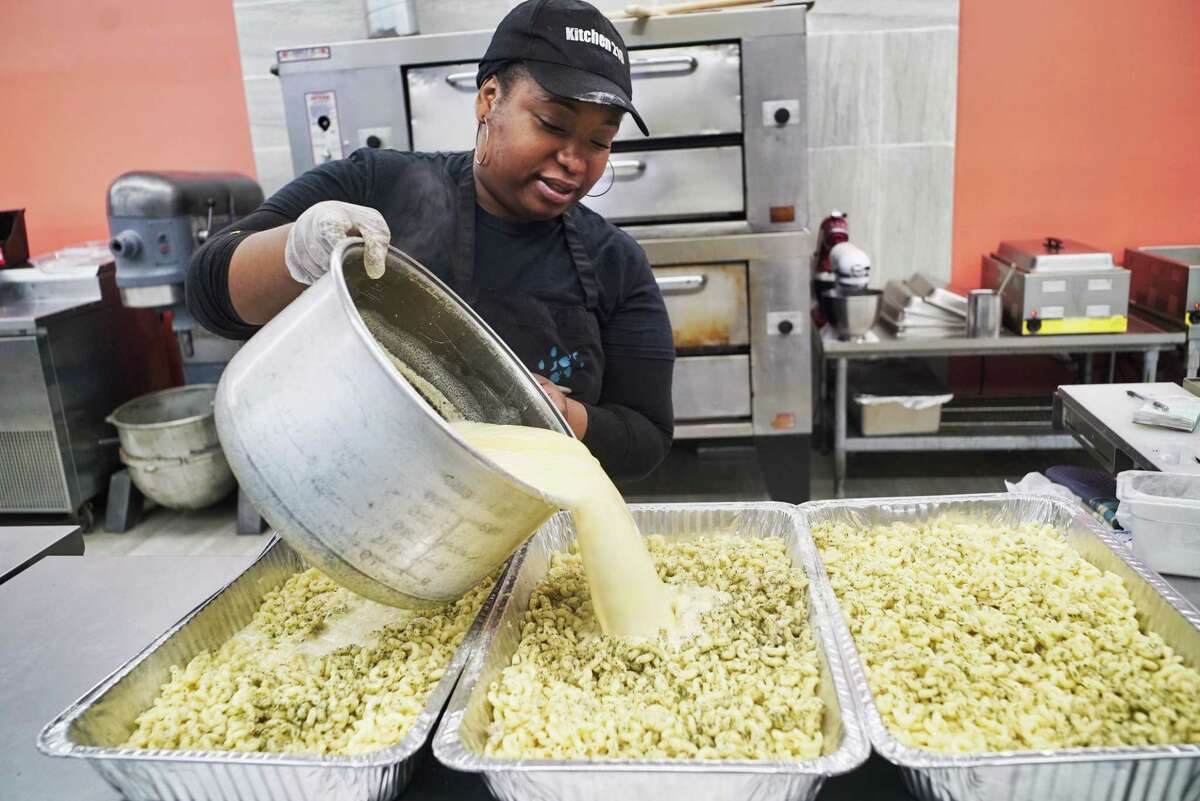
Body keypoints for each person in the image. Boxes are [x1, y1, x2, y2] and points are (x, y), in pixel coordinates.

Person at [187, 0, 675, 482]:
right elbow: (210, 292)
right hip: (358, 502)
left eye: (598, 141)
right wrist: (297, 248)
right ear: (489, 98)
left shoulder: (615, 261)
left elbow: (646, 436)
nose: (574, 159)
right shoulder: (378, 184)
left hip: (533, 517)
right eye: (552, 124)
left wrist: (565, 417)